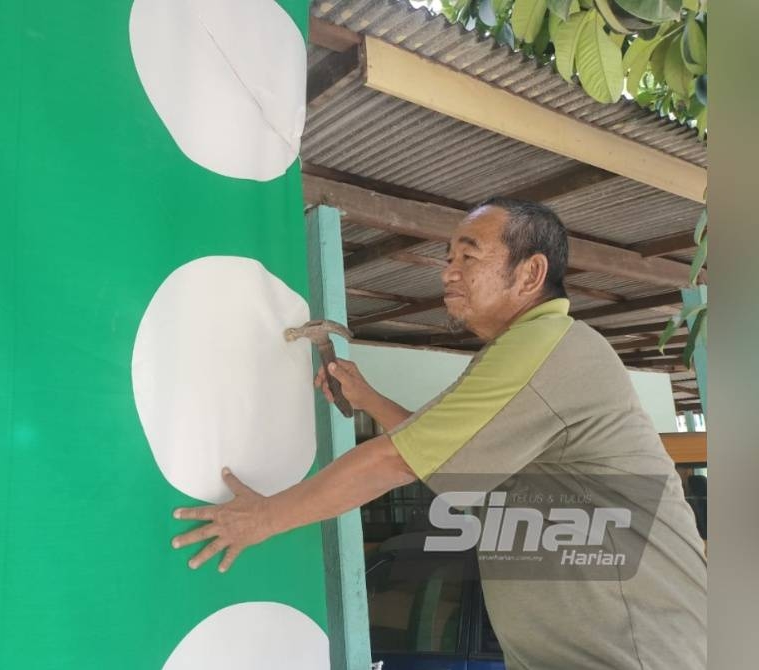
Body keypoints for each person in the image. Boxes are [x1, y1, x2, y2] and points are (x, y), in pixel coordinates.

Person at [171, 198, 706, 669]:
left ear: (530, 273)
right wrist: (368, 399)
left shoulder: (549, 347)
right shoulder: (529, 353)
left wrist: (263, 518)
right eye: (448, 258)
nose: (448, 272)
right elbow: (439, 450)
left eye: (468, 256)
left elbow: (396, 461)